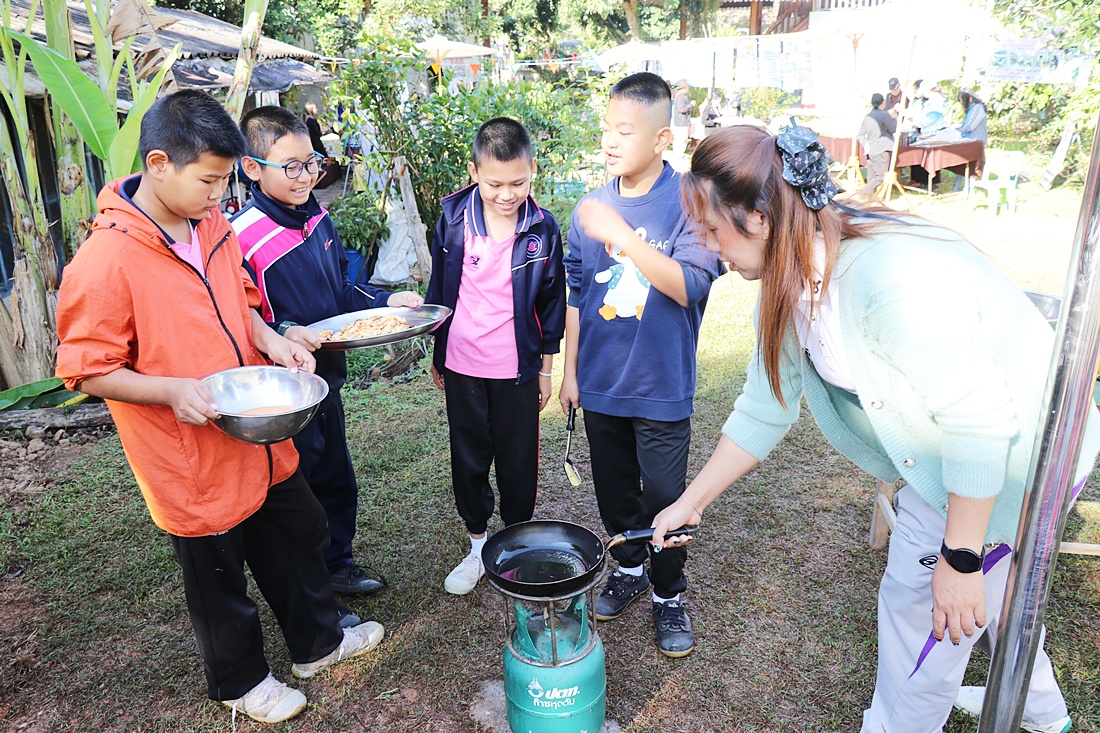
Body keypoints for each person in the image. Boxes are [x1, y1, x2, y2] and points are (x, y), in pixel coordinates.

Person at [651, 123, 1100, 733]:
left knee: (926, 623)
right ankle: (1047, 716)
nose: (705, 247)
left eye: (709, 229)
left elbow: (977, 420)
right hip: (968, 449)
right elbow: (764, 407)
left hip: (1020, 457)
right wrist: (691, 503)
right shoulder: (790, 276)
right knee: (992, 595)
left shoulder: (887, 281)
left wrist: (961, 557)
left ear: (759, 218)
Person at [54, 90, 387, 726]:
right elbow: (86, 368)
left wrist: (274, 340)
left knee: (295, 532)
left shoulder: (211, 226)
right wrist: (171, 391)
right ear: (158, 164)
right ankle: (242, 682)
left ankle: (318, 644)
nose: (218, 195)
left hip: (255, 426)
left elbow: (243, 301)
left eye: (224, 181)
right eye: (208, 181)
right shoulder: (108, 259)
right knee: (217, 574)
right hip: (186, 450)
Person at [232, 106, 424, 602]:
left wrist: (385, 301)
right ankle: (310, 583)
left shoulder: (316, 216)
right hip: (282, 393)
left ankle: (337, 564)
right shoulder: (240, 238)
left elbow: (342, 288)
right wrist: (284, 332)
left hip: (326, 381)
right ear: (252, 168)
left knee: (337, 479)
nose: (305, 176)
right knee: (297, 491)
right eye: (291, 166)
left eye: (312, 162)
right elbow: (237, 318)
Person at [560, 72, 722, 658]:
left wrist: (624, 237)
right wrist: (570, 372)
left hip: (660, 384)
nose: (610, 140)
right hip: (601, 383)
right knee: (614, 492)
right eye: (607, 128)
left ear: (662, 138)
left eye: (625, 131)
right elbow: (577, 292)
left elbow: (690, 285)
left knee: (666, 498)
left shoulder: (689, 201)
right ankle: (628, 567)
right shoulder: (590, 207)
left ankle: (668, 591)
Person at [425, 117, 566, 595]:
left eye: (518, 183)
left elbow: (552, 302)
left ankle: (515, 545)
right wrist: (439, 352)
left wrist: (545, 370)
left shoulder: (542, 229)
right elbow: (439, 290)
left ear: (533, 171)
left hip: (517, 370)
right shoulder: (452, 220)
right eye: (494, 184)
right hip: (462, 364)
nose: (507, 195)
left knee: (517, 460)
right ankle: (477, 547)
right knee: (468, 457)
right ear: (474, 173)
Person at [856, 92, 897, 198]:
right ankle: (863, 193)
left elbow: (860, 135)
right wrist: (894, 117)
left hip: (870, 150)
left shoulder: (868, 117)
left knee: (871, 177)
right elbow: (893, 129)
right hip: (881, 149)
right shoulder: (884, 115)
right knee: (881, 176)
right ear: (883, 102)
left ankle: (868, 198)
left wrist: (865, 145)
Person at [953, 90, 990, 191]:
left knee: (972, 166)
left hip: (975, 141)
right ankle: (956, 187)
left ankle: (969, 188)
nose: (962, 103)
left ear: (970, 98)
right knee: (961, 163)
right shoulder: (971, 107)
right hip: (968, 140)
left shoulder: (978, 107)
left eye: (963, 100)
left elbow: (970, 126)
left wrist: (955, 130)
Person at [671, 79, 695, 155]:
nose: (688, 89)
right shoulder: (680, 97)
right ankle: (678, 154)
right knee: (681, 139)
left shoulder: (679, 96)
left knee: (681, 139)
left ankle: (678, 153)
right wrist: (691, 105)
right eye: (687, 87)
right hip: (681, 122)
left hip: (681, 121)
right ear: (684, 87)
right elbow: (682, 109)